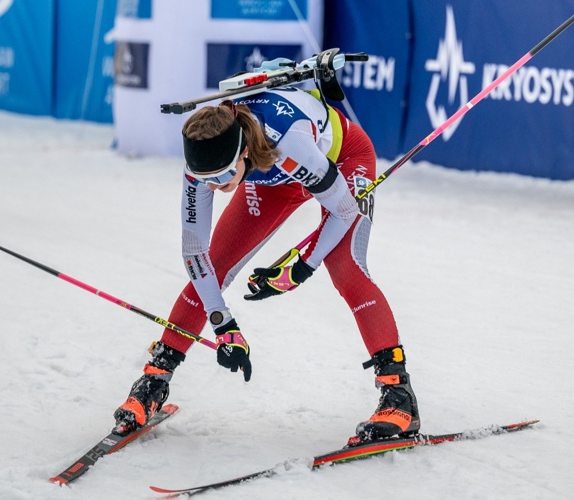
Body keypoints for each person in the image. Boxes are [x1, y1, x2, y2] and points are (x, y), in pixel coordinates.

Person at [113, 86, 420, 443]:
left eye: (223, 175)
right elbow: (194, 251)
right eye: (206, 179)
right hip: (269, 175)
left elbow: (344, 210)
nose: (215, 186)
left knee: (346, 268)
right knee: (216, 264)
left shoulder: (290, 144)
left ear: (242, 149)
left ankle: (398, 397)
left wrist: (303, 266)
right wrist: (222, 322)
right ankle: (153, 382)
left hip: (339, 159)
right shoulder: (207, 162)